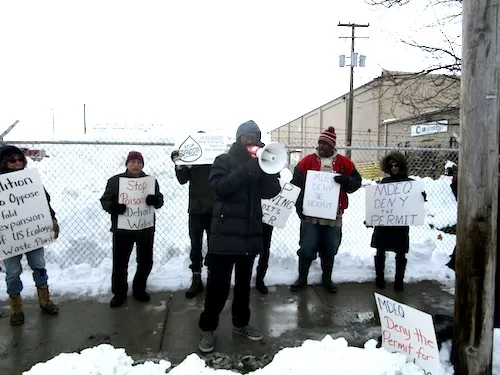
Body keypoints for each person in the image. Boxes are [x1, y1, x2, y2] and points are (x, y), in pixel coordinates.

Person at [198, 120, 281, 353]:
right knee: (218, 288)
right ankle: (208, 328)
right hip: (224, 236)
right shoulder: (223, 161)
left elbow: (271, 192)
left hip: (250, 235)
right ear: (238, 139)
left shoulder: (261, 163)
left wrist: (268, 169)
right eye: (246, 137)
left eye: (254, 136)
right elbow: (220, 188)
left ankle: (241, 324)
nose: (251, 140)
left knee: (244, 287)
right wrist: (248, 169)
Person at [290, 126, 362, 293]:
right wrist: (299, 204)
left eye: (324, 144)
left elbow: (356, 181)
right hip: (310, 213)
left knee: (330, 246)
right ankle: (302, 277)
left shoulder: (344, 163)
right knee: (307, 246)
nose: (321, 147)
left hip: (333, 213)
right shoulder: (306, 162)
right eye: (319, 144)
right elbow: (296, 185)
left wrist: (346, 181)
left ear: (332, 146)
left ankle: (327, 278)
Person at [0, 145, 59, 325]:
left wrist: (52, 219)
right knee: (12, 273)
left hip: (33, 234)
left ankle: (45, 300)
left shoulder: (31, 181)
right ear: (3, 162)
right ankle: (16, 309)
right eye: (12, 160)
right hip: (9, 238)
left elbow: (44, 202)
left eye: (20, 159)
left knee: (39, 266)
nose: (17, 163)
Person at [100, 151, 164, 308]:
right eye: (132, 162)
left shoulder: (150, 181)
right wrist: (114, 207)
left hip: (145, 228)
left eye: (138, 162)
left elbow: (160, 201)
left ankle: (139, 288)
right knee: (120, 262)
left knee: (145, 261)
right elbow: (105, 200)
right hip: (123, 229)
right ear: (127, 164)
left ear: (142, 164)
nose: (135, 165)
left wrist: (155, 200)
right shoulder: (115, 181)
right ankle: (119, 292)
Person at [369, 152, 426, 291]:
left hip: (400, 224)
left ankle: (399, 280)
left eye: (396, 165)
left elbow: (415, 203)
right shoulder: (385, 182)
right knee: (380, 250)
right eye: (391, 166)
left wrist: (421, 197)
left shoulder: (410, 183)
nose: (394, 168)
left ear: (402, 166)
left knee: (400, 252)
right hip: (384, 224)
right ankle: (379, 278)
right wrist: (371, 215)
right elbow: (378, 202)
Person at [171, 137, 215, 299]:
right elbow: (183, 179)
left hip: (214, 210)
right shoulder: (193, 160)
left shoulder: (216, 160)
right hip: (196, 210)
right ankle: (196, 278)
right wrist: (179, 163)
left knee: (214, 246)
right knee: (195, 246)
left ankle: (212, 279)